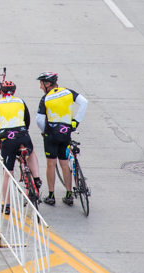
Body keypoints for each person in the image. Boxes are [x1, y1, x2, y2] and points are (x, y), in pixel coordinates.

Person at [35, 72, 88, 207]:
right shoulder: (68, 92)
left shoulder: (45, 98)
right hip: (65, 133)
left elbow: (39, 120)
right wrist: (76, 121)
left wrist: (44, 132)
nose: (40, 87)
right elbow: (84, 102)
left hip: (51, 135)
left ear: (48, 84)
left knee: (51, 164)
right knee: (64, 163)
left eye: (41, 84)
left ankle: (51, 196)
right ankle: (69, 194)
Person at [0, 80, 41, 213]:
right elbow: (27, 119)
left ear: (0, 92)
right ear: (14, 92)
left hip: (7, 138)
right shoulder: (20, 101)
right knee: (31, 152)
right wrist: (24, 132)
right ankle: (36, 178)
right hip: (22, 134)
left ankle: (6, 205)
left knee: (7, 174)